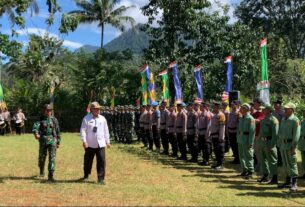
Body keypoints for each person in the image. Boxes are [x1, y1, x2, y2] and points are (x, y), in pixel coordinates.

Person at [80, 101, 111, 185]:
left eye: (99, 109)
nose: (98, 110)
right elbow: (83, 130)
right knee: (88, 161)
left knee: (101, 160)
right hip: (90, 144)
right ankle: (86, 174)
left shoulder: (102, 118)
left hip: (100, 143)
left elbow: (106, 130)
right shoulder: (86, 118)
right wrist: (84, 141)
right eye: (96, 109)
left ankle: (101, 178)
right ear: (92, 109)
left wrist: (108, 141)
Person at [32, 104, 61, 182]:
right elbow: (35, 127)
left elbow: (58, 131)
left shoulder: (54, 120)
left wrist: (58, 142)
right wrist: (36, 133)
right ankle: (41, 170)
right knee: (42, 158)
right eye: (47, 110)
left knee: (52, 158)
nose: (49, 112)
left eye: (50, 110)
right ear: (44, 111)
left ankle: (50, 175)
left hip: (52, 140)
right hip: (43, 140)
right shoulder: (41, 119)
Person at [278, 102, 300, 192]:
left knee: (292, 163)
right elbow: (280, 132)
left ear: (292, 110)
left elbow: (296, 135)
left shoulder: (295, 120)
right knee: (285, 163)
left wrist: (294, 147)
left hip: (290, 145)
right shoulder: (284, 119)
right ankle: (288, 182)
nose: (285, 110)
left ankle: (294, 183)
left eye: (287, 109)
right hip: (283, 145)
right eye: (285, 109)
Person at [257, 104, 279, 184]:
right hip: (263, 142)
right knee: (263, 160)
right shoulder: (263, 120)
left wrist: (272, 145)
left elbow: (275, 135)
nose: (262, 110)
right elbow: (260, 133)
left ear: (269, 110)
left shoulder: (273, 120)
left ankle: (274, 178)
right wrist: (259, 143)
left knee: (272, 160)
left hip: (269, 142)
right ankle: (265, 175)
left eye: (264, 109)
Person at [237, 103, 256, 179]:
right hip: (241, 139)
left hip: (247, 139)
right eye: (241, 108)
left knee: (248, 156)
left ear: (247, 109)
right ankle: (244, 170)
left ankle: (250, 171)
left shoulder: (250, 119)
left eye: (242, 108)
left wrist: (251, 142)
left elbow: (252, 132)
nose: (241, 110)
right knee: (241, 156)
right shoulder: (242, 118)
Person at [210, 102, 226, 170]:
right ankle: (218, 163)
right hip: (214, 135)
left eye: (214, 107)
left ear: (218, 108)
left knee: (220, 150)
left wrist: (221, 137)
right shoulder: (214, 115)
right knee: (216, 150)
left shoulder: (221, 115)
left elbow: (222, 127)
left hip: (218, 136)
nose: (213, 108)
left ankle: (221, 164)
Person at [298, 108, 305, 179]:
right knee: (303, 158)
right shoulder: (302, 121)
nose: (304, 113)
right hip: (302, 142)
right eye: (303, 112)